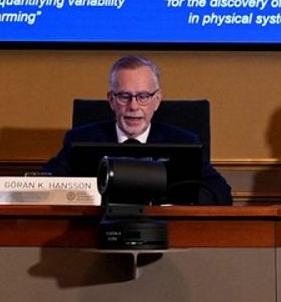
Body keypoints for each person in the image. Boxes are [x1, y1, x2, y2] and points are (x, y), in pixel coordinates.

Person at [40, 55, 231, 205]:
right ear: (111, 100)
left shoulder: (183, 142)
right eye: (124, 96)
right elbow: (46, 184)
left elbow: (220, 193)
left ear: (156, 101)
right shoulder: (80, 139)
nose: (133, 106)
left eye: (143, 96)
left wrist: (176, 203)